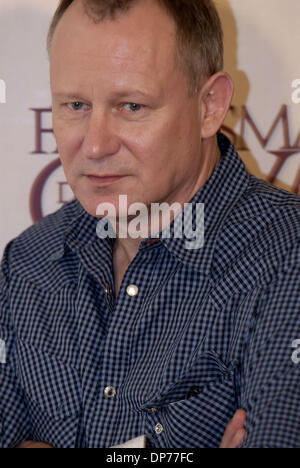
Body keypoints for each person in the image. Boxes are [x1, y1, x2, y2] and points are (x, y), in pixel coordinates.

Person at [0, 0, 299, 449]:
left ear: (210, 106)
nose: (95, 145)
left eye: (131, 106)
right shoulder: (28, 261)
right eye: (76, 104)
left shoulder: (285, 252)